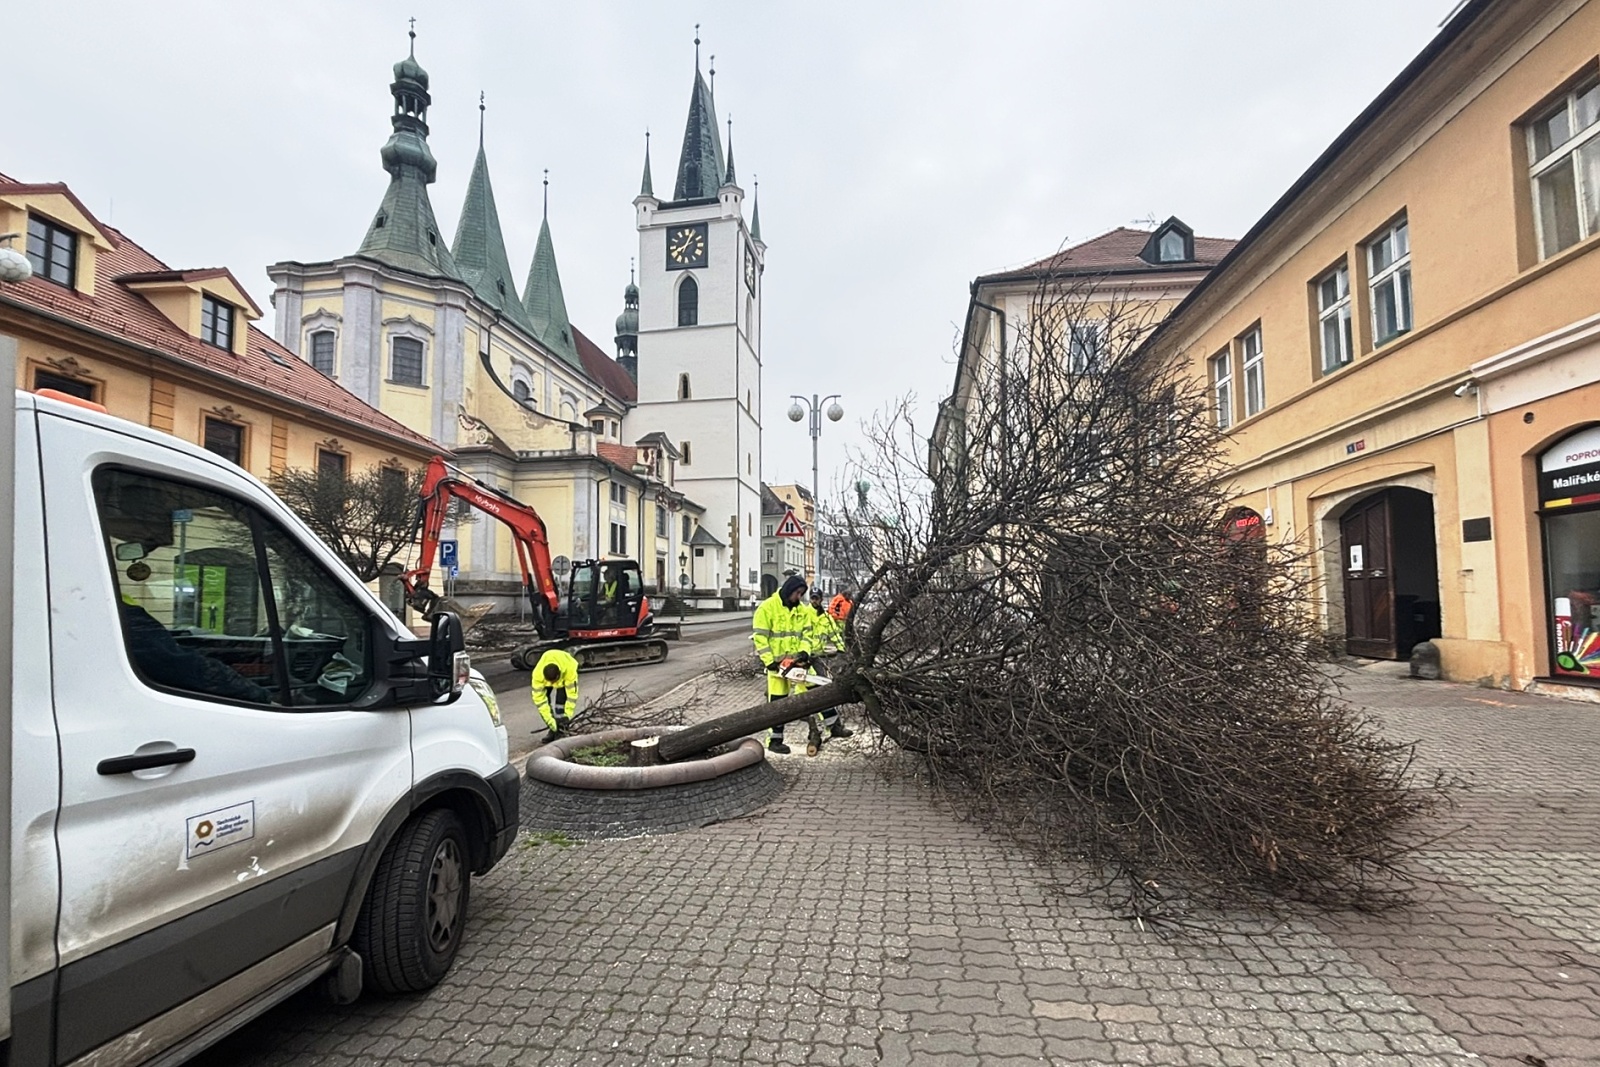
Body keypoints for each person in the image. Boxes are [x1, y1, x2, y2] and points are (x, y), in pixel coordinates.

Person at [751, 575, 813, 754]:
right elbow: (760, 638)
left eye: (801, 594)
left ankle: (830, 726)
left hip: (797, 663)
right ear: (789, 590)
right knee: (777, 703)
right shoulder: (767, 608)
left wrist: (804, 652)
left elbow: (807, 635)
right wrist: (769, 661)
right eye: (797, 593)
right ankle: (775, 740)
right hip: (777, 665)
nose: (799, 597)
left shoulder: (802, 610)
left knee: (815, 691)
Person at [531, 647, 581, 740]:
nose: (553, 684)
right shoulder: (538, 676)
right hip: (547, 677)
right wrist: (550, 722)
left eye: (554, 681)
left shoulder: (569, 670)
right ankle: (553, 730)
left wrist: (567, 716)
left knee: (560, 702)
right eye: (550, 682)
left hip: (564, 671)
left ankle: (562, 729)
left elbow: (572, 696)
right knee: (546, 703)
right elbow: (540, 702)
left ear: (559, 674)